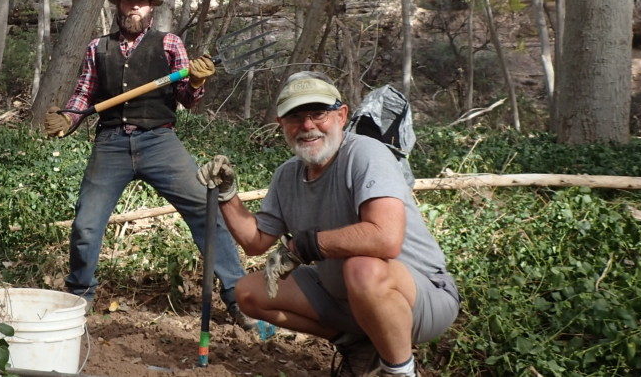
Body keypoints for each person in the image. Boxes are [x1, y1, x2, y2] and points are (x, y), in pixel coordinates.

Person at [197, 71, 459, 377]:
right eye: (295, 116)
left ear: (341, 115)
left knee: (362, 267)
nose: (307, 126)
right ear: (281, 123)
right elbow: (256, 242)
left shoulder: (366, 154)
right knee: (249, 292)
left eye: (317, 113)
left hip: (422, 297)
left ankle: (400, 371)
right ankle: (358, 346)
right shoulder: (287, 176)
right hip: (347, 298)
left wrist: (304, 246)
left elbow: (386, 238)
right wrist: (228, 195)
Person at [43, 0, 251, 327]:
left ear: (151, 6)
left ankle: (239, 297)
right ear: (118, 6)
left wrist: (196, 80)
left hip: (159, 141)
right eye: (127, 1)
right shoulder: (97, 48)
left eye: (140, 1)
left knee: (205, 208)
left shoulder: (169, 43)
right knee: (86, 225)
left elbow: (187, 98)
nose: (134, 6)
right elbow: (84, 93)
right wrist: (69, 117)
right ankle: (79, 297)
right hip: (110, 143)